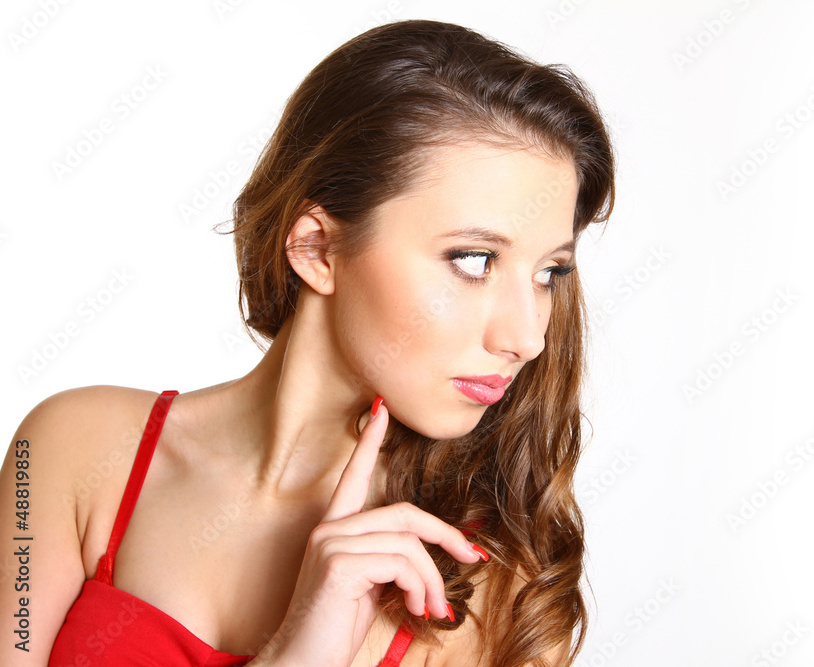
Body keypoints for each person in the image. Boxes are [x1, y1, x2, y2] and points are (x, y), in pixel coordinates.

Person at [1, 18, 615, 667]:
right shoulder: (73, 448)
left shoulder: (488, 589)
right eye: (473, 259)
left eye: (549, 272)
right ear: (317, 248)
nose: (527, 337)